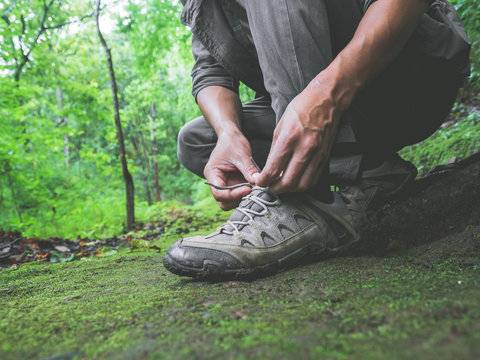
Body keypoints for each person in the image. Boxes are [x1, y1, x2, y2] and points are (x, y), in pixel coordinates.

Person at [163, 0, 471, 279]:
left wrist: (327, 93)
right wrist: (228, 132)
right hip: (345, 115)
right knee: (197, 141)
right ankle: (373, 169)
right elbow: (210, 73)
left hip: (408, 72)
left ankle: (309, 197)